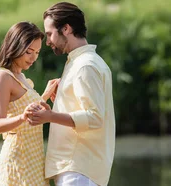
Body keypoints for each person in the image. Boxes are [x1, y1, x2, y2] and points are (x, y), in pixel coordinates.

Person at [25, 2, 116, 186]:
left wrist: (50, 116)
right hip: (78, 168)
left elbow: (95, 117)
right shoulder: (84, 62)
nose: (48, 41)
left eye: (50, 33)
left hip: (78, 170)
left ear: (66, 28)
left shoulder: (85, 66)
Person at [0, 21, 57, 186]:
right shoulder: (3, 77)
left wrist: (45, 95)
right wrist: (22, 117)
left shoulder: (22, 77)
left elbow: (27, 109)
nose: (33, 58)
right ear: (15, 46)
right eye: (29, 51)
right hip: (18, 161)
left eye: (37, 52)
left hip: (34, 160)